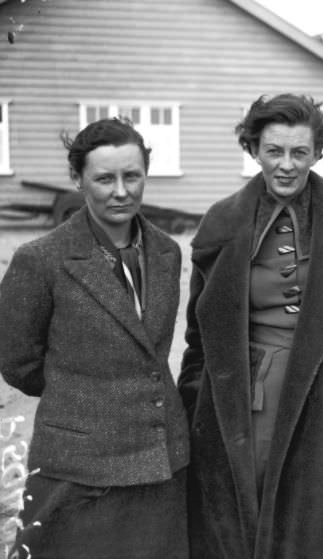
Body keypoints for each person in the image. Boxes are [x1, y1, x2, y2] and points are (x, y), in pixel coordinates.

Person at [178, 93, 323, 558]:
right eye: (274, 151)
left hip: (320, 392)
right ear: (254, 150)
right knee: (237, 522)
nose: (287, 165)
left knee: (314, 525)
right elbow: (199, 331)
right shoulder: (223, 222)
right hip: (241, 396)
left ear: (318, 153)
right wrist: (193, 400)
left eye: (300, 152)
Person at [0, 118, 189, 558]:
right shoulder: (41, 260)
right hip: (78, 467)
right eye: (105, 178)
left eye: (132, 176)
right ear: (78, 181)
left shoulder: (167, 251)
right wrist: (82, 393)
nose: (120, 191)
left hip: (162, 461)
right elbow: (15, 358)